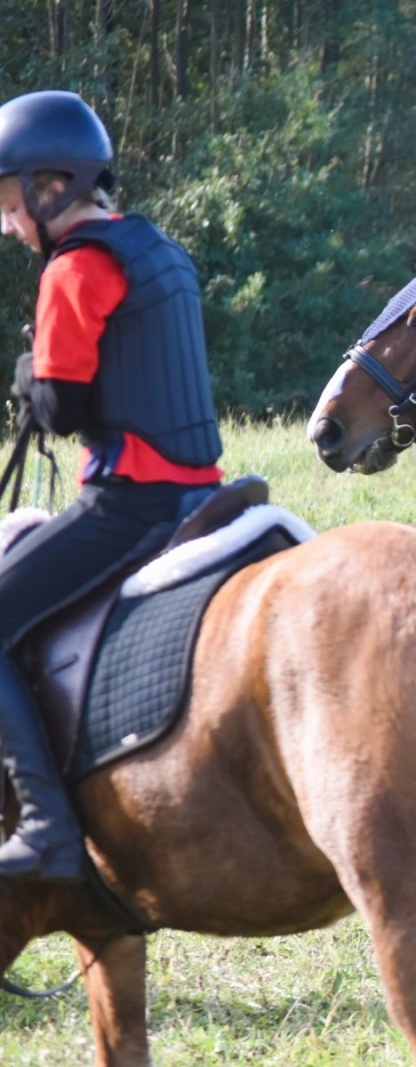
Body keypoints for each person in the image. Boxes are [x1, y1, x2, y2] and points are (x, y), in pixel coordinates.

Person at [0, 90, 223, 881]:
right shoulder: (157, 247)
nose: (7, 222)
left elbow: (60, 408)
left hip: (131, 504)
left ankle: (47, 828)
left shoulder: (75, 267)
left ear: (49, 186)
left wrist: (30, 373)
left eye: (8, 200)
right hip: (210, 497)